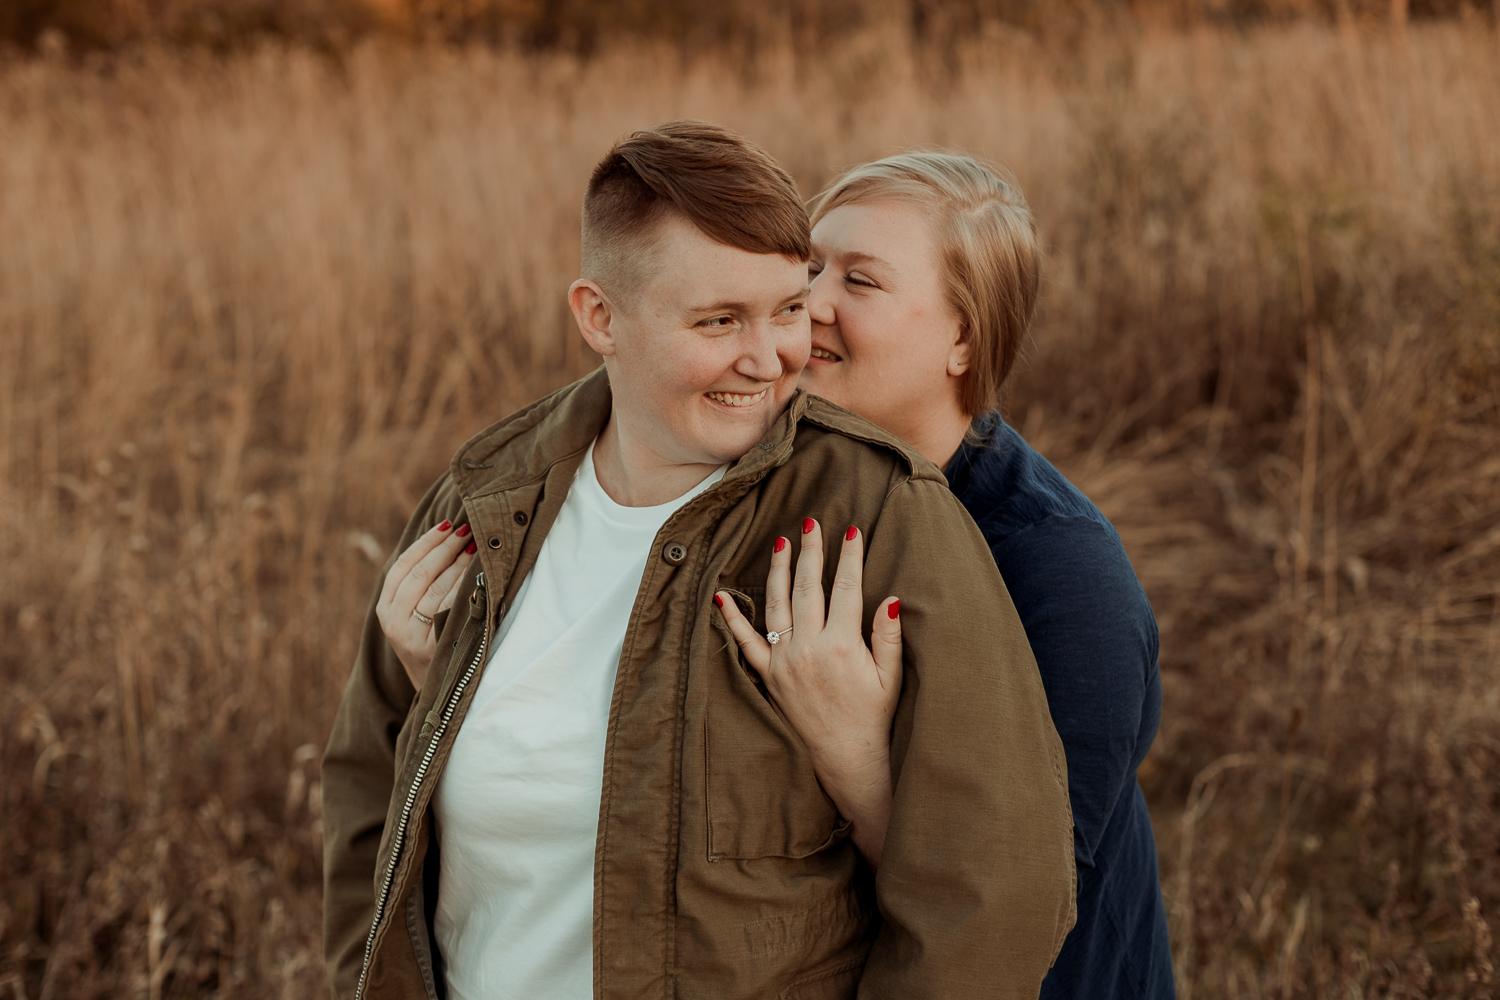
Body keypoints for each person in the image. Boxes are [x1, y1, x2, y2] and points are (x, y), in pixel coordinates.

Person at [321, 122, 1076, 1000]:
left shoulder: (881, 514)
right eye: (719, 321)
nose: (770, 358)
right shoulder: (487, 503)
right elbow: (366, 807)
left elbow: (996, 891)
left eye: (787, 309)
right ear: (600, 317)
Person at [717, 152, 1175, 999]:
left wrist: (857, 763)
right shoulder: (779, 482)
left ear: (963, 338)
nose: (813, 302)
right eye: (810, 268)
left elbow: (1023, 913)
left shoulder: (1062, 574)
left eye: (861, 281)